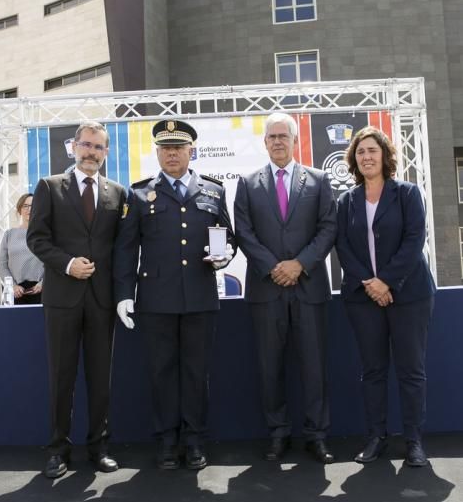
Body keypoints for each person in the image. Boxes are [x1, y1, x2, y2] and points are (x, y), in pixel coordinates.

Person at [114, 119, 235, 471]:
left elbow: (227, 235)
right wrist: (124, 293)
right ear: (157, 152)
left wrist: (225, 254)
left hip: (199, 297)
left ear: (190, 151)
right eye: (166, 148)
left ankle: (194, 440)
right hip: (155, 301)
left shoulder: (213, 191)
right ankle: (167, 441)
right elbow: (125, 250)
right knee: (162, 372)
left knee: (197, 373)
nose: (172, 154)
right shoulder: (138, 194)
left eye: (178, 148)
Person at [234, 112, 337, 463]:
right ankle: (277, 433)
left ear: (295, 141)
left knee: (315, 365)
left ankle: (317, 435)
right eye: (271, 137)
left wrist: (300, 265)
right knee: (269, 366)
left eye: (284, 136)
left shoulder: (319, 180)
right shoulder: (247, 184)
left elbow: (327, 228)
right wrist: (272, 267)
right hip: (267, 289)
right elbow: (243, 232)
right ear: (264, 142)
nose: (277, 142)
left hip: (309, 287)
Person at [27, 121, 126, 478]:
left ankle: (99, 448)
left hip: (102, 300)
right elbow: (37, 239)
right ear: (73, 147)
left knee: (101, 377)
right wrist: (68, 264)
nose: (91, 153)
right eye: (85, 145)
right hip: (62, 298)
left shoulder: (117, 192)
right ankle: (57, 450)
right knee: (61, 376)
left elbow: (121, 247)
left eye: (98, 147)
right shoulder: (49, 187)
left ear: (106, 152)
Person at [336, 126, 436, 467]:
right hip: (364, 298)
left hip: (409, 295)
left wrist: (387, 282)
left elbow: (414, 239)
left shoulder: (407, 193)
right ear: (354, 159)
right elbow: (343, 248)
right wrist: (370, 282)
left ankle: (413, 441)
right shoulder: (346, 201)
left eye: (372, 151)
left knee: (411, 370)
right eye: (361, 152)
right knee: (373, 371)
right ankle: (376, 437)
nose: (366, 156)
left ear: (384, 156)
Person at [0, 194, 43, 304]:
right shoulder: (9, 235)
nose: (29, 209)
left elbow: (53, 263)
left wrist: (43, 283)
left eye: (33, 206)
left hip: (41, 290)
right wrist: (12, 286)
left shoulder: (45, 234)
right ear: (19, 210)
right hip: (14, 293)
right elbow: (2, 265)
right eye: (25, 206)